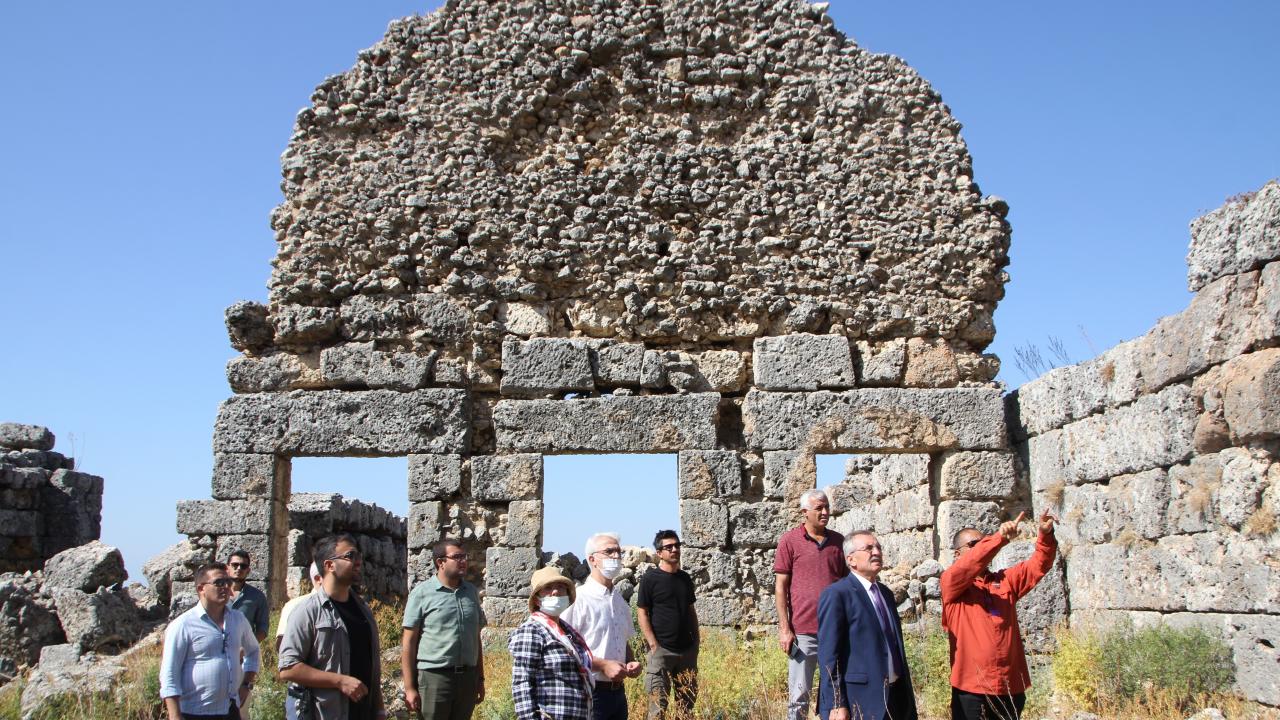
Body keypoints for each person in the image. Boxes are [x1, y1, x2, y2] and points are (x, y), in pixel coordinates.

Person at [942, 511, 1058, 720]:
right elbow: (971, 564)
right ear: (957, 554)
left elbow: (1039, 565)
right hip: (972, 690)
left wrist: (1045, 535)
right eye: (973, 544)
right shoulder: (952, 583)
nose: (980, 547)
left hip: (1009, 687)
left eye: (982, 541)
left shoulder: (1004, 581)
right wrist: (999, 538)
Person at [278, 534, 385, 720]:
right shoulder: (307, 611)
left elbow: (372, 667)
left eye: (358, 555)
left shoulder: (364, 611)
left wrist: (379, 710)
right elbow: (288, 668)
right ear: (329, 565)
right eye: (350, 556)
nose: (358, 561)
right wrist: (339, 681)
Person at [817, 531, 917, 720]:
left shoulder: (886, 594)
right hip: (861, 698)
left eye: (878, 547)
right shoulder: (838, 594)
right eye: (869, 548)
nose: (876, 552)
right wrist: (837, 702)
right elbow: (829, 654)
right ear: (851, 560)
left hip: (896, 696)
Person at [775, 489, 848, 720]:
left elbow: (848, 585)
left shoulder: (839, 542)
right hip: (803, 632)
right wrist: (785, 629)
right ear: (804, 512)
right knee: (799, 695)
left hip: (836, 630)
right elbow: (781, 587)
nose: (825, 512)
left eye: (827, 507)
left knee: (838, 692)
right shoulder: (790, 541)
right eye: (819, 508)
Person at [160, 562, 260, 720]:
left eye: (228, 582)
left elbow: (253, 650)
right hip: (194, 713)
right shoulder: (183, 625)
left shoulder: (238, 620)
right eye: (219, 583)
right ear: (201, 589)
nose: (226, 587)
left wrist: (246, 684)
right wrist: (174, 715)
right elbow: (169, 674)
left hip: (230, 711)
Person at [401, 539, 487, 720]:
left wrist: (480, 679)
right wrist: (409, 688)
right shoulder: (422, 593)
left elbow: (475, 638)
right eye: (457, 557)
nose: (463, 561)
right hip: (435, 679)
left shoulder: (471, 592)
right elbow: (408, 642)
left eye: (464, 556)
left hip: (467, 678)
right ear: (440, 562)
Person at [562, 532, 643, 720]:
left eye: (618, 552)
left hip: (617, 694)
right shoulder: (578, 599)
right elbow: (564, 648)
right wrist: (603, 665)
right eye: (609, 551)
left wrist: (631, 663)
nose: (616, 556)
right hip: (589, 692)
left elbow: (623, 642)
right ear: (592, 559)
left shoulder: (619, 601)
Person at [509, 566, 595, 720]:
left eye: (560, 587)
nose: (555, 592)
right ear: (537, 599)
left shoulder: (569, 633)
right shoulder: (532, 631)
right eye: (547, 588)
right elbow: (522, 683)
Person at [636, 530, 699, 720]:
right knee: (657, 710)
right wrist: (653, 645)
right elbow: (642, 612)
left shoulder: (685, 578)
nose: (674, 549)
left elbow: (690, 610)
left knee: (686, 709)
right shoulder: (650, 579)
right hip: (661, 652)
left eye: (677, 545)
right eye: (669, 547)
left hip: (687, 652)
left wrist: (696, 641)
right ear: (659, 553)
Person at [277, 563, 324, 720]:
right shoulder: (295, 606)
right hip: (303, 691)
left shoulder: (350, 606)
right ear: (318, 579)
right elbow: (282, 648)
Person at [227, 549, 270, 720]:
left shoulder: (257, 597)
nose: (239, 568)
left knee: (240, 711)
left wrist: (245, 649)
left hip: (243, 662)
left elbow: (263, 629)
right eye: (235, 565)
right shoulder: (218, 594)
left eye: (243, 566)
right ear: (227, 568)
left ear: (248, 570)